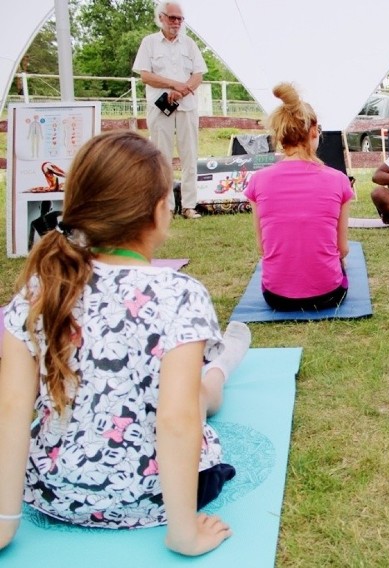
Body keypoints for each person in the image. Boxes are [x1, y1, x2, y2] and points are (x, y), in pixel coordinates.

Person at [0, 131, 252, 556]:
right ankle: (224, 361)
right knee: (202, 393)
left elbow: (10, 409)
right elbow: (175, 421)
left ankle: (221, 362)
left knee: (195, 390)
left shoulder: (39, 290)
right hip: (157, 498)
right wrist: (184, 533)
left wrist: (4, 523)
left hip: (53, 493)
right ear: (160, 211)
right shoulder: (180, 293)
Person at [245, 83, 354, 311]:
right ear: (313, 131)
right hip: (329, 295)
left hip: (276, 297)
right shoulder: (338, 180)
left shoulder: (258, 180)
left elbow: (262, 248)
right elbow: (342, 249)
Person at [132, 1, 207, 220]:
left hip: (186, 107)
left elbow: (198, 75)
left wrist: (182, 92)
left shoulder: (190, 44)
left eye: (179, 18)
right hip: (159, 106)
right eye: (172, 18)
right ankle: (166, 206)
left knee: (189, 155)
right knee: (161, 156)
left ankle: (189, 206)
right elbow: (145, 75)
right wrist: (173, 85)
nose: (176, 22)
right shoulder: (149, 43)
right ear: (161, 17)